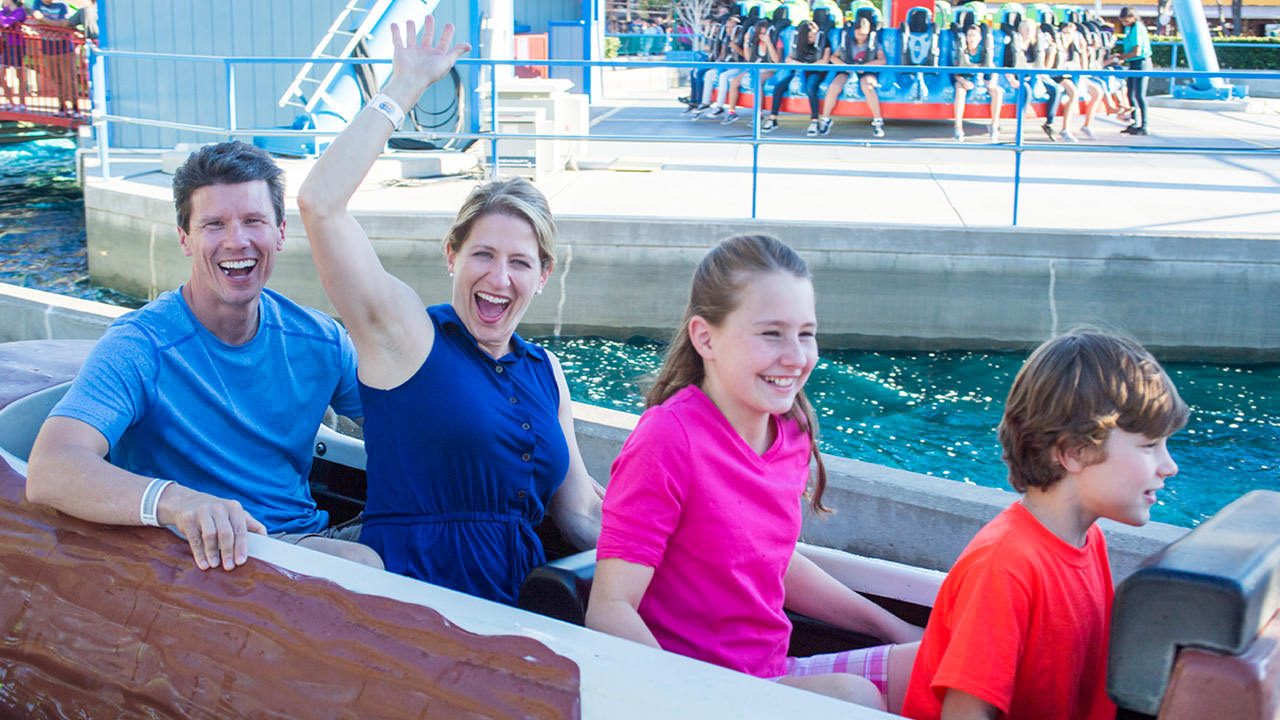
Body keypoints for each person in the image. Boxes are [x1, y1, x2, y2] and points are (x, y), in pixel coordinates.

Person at [297, 16, 603, 606]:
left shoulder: (546, 372)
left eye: (519, 262)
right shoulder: (409, 337)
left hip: (525, 605)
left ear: (543, 276)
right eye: (482, 255)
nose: (498, 277)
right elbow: (320, 204)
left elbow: (583, 514)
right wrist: (402, 88)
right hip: (421, 602)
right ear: (451, 257)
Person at [585, 235, 923, 712]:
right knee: (853, 700)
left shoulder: (791, 430)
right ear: (706, 338)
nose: (795, 356)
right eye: (771, 334)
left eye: (805, 333)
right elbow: (610, 608)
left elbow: (770, 559)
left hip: (771, 673)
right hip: (697, 692)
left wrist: (894, 627)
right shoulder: (668, 439)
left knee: (944, 663)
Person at [26, 141, 382, 572]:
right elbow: (51, 467)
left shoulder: (321, 338)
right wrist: (174, 500)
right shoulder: (140, 347)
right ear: (185, 240)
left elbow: (406, 426)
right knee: (361, 561)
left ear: (280, 232)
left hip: (304, 538)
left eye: (253, 221)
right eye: (214, 225)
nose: (237, 241)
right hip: (206, 561)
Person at [902, 328, 1188, 720]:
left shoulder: (1090, 541)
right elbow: (965, 713)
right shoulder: (1004, 567)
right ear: (1074, 452)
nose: (1170, 466)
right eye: (1150, 445)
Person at [813, 16, 886, 138]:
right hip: (848, 70)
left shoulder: (874, 43)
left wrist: (866, 66)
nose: (860, 37)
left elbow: (882, 60)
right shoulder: (847, 42)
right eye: (858, 34)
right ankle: (825, 120)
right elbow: (833, 57)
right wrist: (844, 65)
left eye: (863, 34)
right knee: (834, 86)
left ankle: (878, 122)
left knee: (868, 86)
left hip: (866, 71)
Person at [763, 20, 833, 138]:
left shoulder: (824, 41)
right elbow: (788, 58)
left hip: (816, 71)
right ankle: (773, 118)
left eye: (815, 34)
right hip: (800, 71)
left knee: (811, 87)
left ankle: (814, 121)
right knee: (779, 87)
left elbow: (824, 61)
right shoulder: (799, 43)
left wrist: (808, 66)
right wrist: (796, 63)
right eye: (810, 36)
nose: (813, 37)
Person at [949, 24, 1003, 143]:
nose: (971, 38)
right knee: (959, 90)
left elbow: (993, 70)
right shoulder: (962, 50)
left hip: (982, 80)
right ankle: (958, 127)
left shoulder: (984, 52)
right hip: (967, 80)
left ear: (979, 38)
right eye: (969, 35)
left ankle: (994, 125)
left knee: (997, 91)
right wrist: (963, 80)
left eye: (974, 36)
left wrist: (992, 82)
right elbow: (956, 73)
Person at [1115, 7, 1152, 135]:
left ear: (1133, 17)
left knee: (1139, 95)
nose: (1124, 23)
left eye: (1126, 20)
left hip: (1141, 63)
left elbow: (1137, 51)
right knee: (1130, 93)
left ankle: (1144, 125)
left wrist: (1122, 57)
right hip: (1133, 63)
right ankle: (1134, 122)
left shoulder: (1137, 28)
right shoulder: (1130, 29)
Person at [0, 0, 27, 109]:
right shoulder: (4, 12)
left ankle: (22, 103)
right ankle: (9, 101)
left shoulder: (20, 11)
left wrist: (3, 18)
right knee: (1, 75)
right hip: (4, 45)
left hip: (17, 45)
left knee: (19, 75)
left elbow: (6, 23)